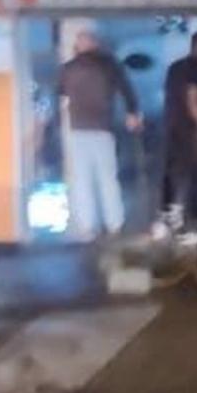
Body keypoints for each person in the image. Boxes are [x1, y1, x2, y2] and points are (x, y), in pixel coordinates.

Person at [58, 30, 141, 241]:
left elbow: (57, 95)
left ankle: (89, 227)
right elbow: (126, 89)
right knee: (106, 178)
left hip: (80, 129)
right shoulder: (108, 64)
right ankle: (114, 225)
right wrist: (132, 113)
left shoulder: (69, 68)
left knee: (84, 179)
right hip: (100, 129)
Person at [163, 31, 197, 229]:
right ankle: (191, 220)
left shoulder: (175, 67)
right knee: (195, 176)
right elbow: (193, 100)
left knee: (176, 175)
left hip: (172, 128)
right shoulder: (195, 68)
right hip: (189, 131)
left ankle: (173, 218)